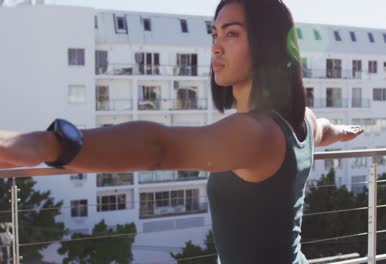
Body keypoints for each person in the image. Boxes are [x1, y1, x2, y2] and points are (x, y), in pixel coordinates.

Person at [0, 0, 363, 263]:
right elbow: (324, 130)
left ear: (266, 45)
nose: (215, 46)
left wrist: (48, 144)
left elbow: (159, 146)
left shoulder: (255, 133)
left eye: (232, 34)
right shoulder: (301, 121)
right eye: (215, 32)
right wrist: (342, 130)